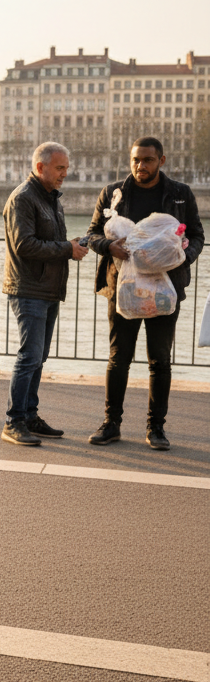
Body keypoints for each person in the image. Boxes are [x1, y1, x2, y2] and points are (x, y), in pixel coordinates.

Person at [85, 137, 203, 450]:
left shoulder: (180, 194)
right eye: (136, 159)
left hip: (166, 289)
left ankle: (156, 429)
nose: (141, 166)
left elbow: (197, 236)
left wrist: (180, 258)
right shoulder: (113, 193)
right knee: (118, 358)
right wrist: (108, 246)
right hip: (123, 289)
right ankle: (111, 424)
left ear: (161, 160)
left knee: (160, 360)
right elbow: (92, 234)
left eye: (148, 160)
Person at [0, 143, 89, 446]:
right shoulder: (23, 199)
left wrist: (71, 244)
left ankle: (29, 416)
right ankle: (13, 422)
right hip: (28, 289)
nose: (65, 173)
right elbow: (25, 245)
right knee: (29, 357)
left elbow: (48, 240)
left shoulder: (50, 199)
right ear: (41, 167)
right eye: (60, 168)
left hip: (47, 289)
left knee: (38, 357)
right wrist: (67, 249)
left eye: (66, 167)